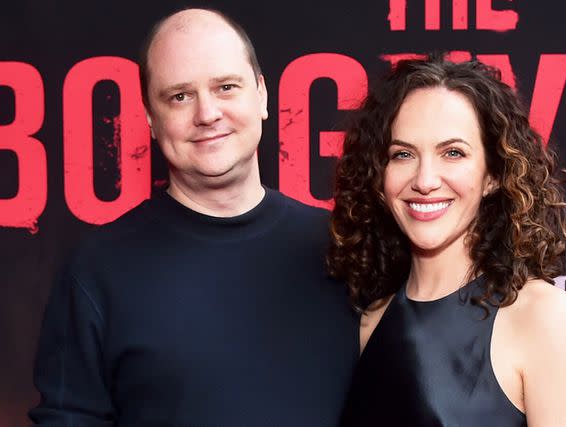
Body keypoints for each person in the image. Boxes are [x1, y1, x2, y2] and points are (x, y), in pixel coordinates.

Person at [30, 8, 358, 426]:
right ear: (150, 118)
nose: (207, 114)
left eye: (225, 87)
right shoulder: (98, 270)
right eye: (179, 96)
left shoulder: (345, 247)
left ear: (261, 95)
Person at [328, 56, 566, 426]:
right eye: (403, 154)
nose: (425, 180)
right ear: (380, 177)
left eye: (452, 153)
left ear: (493, 175)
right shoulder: (367, 323)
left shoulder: (543, 318)